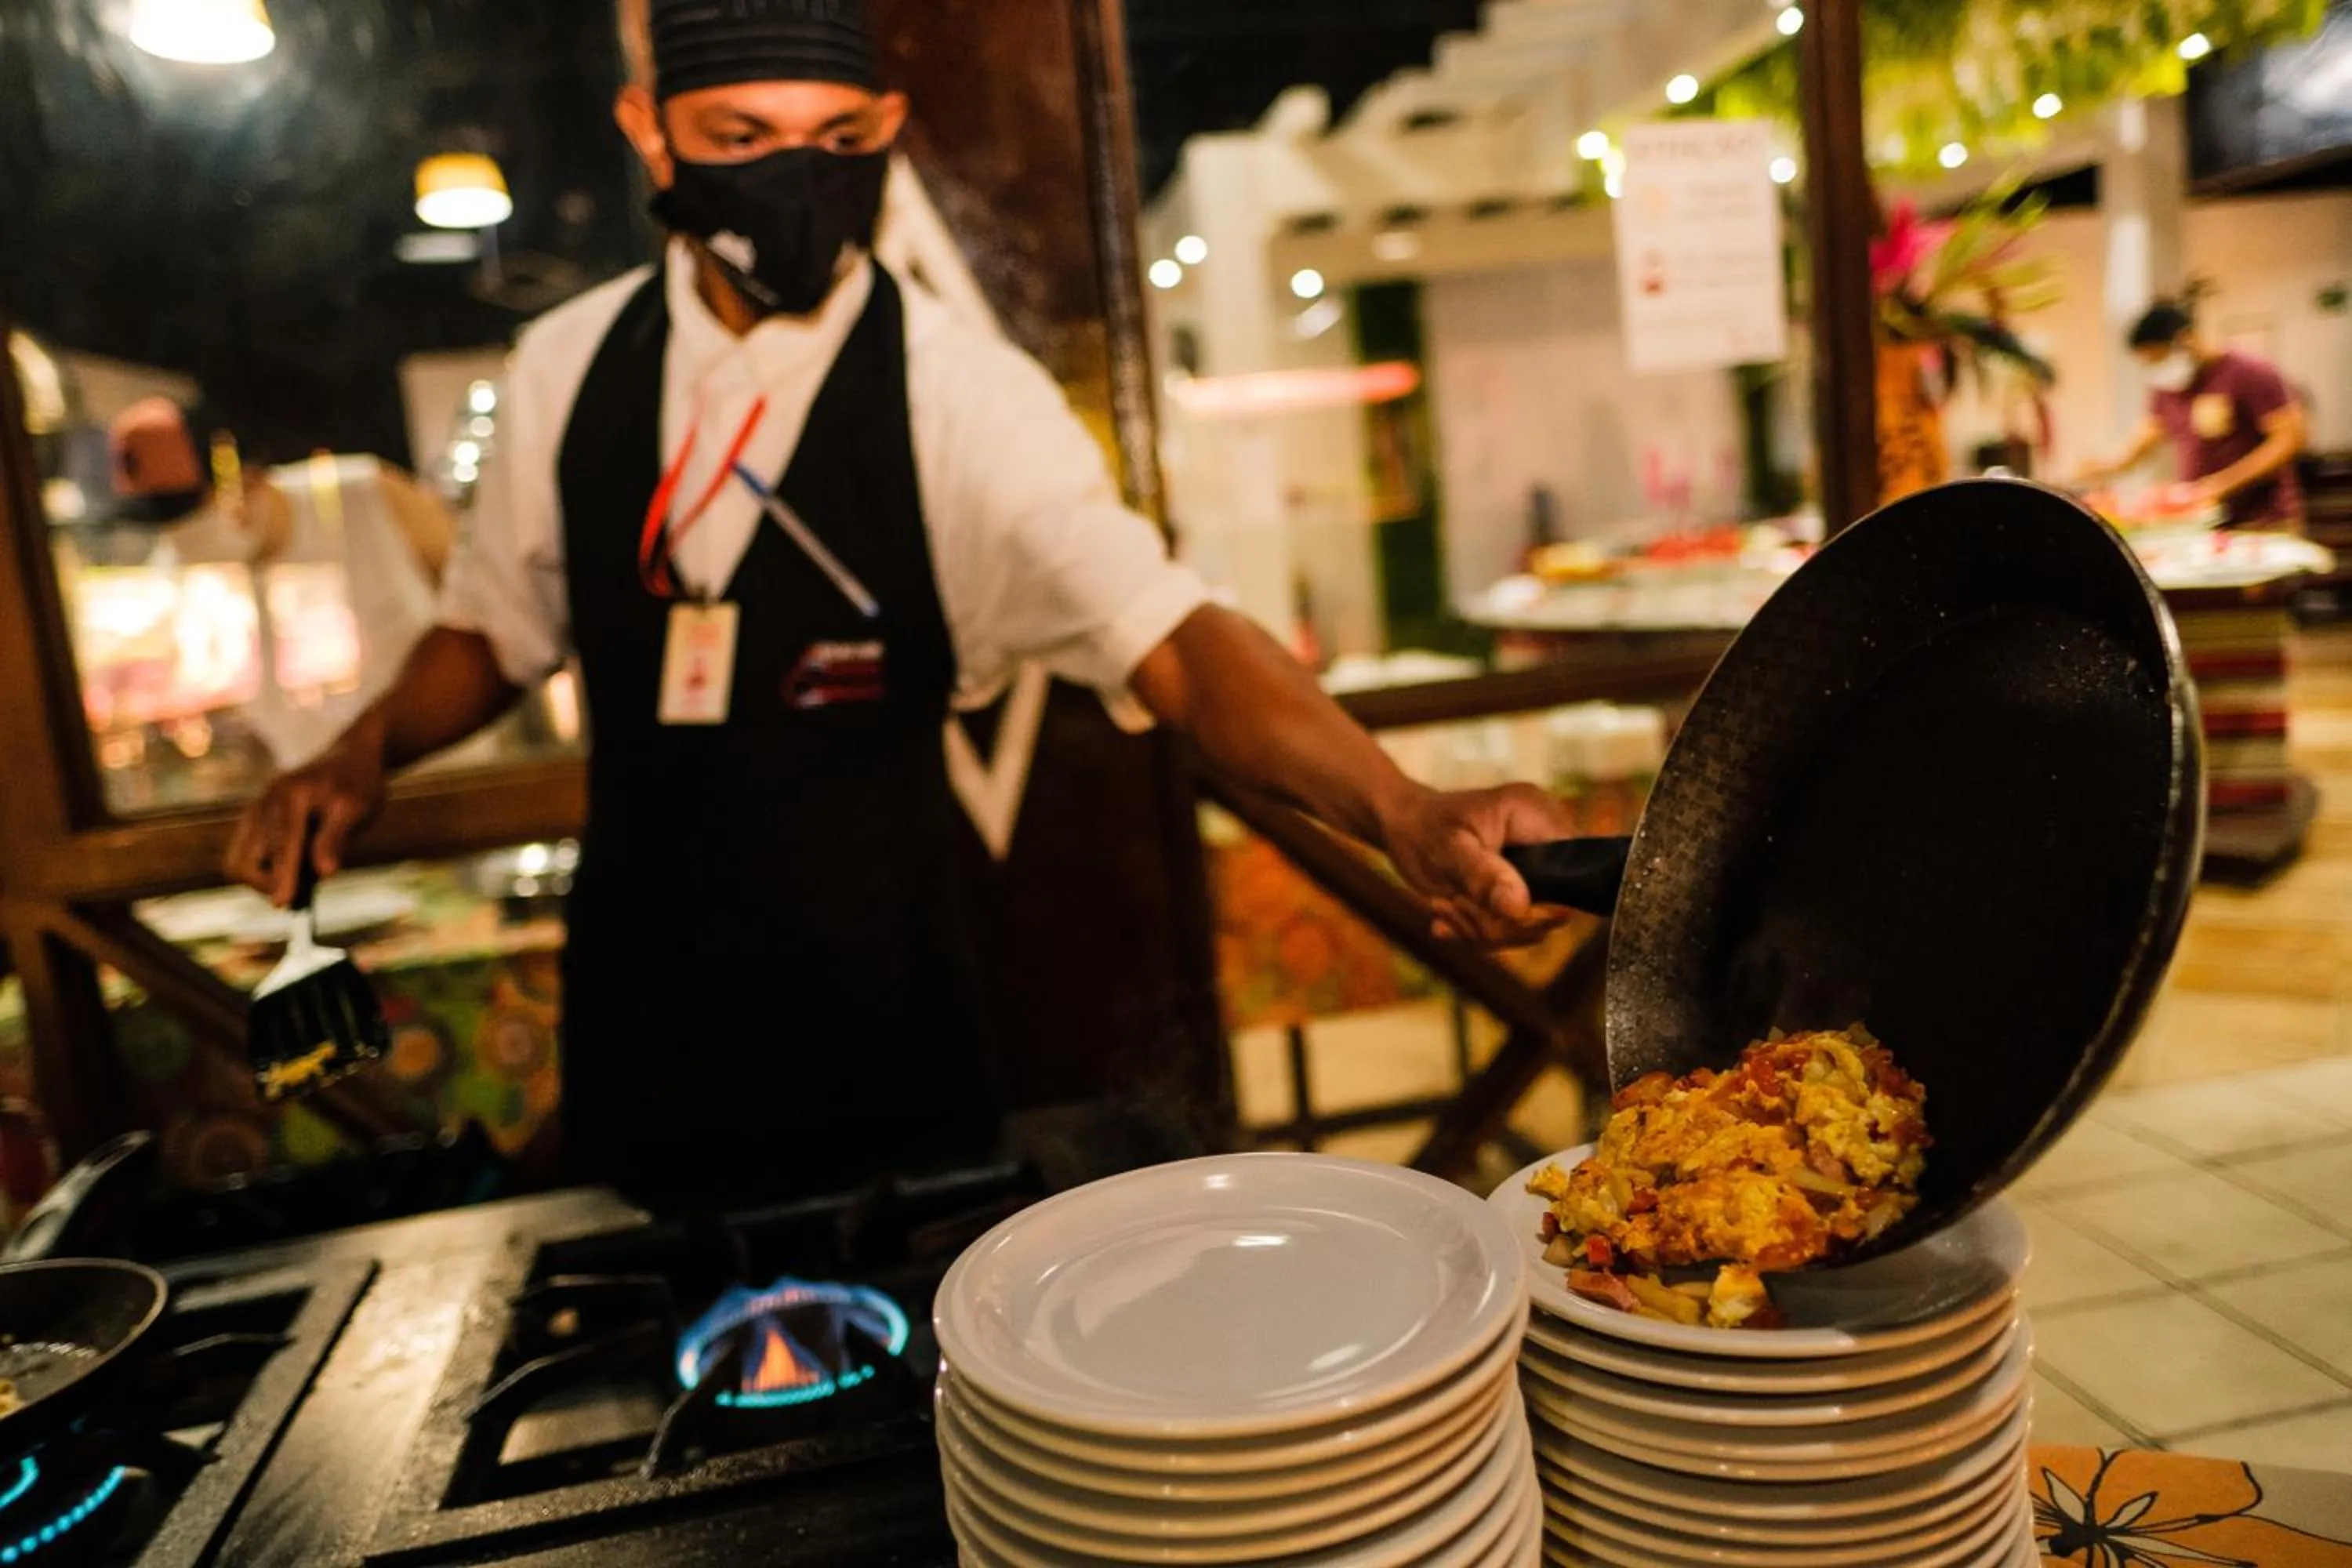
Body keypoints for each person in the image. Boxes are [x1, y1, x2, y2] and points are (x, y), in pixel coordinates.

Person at [223, 0, 1578, 1203]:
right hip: (650, 1001)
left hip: (885, 1012)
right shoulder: (565, 368)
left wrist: (1396, 805)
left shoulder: (961, 394)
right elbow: (490, 632)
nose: (796, 175)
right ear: (650, 130)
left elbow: (1170, 641)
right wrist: (363, 747)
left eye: (835, 134)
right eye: (740, 133)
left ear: (887, 127)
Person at [104, 398, 455, 768]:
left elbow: (481, 607)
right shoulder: (189, 574)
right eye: (165, 518)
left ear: (244, 478)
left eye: (188, 509)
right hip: (324, 795)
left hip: (449, 777)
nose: (183, 535)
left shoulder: (364, 495)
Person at [2078, 302, 2308, 529]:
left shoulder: (2250, 371)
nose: (2157, 369)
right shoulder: (2166, 387)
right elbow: (2149, 435)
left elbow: (2289, 439)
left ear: (2186, 339)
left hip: (2263, 519)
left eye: (2159, 359)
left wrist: (2221, 484)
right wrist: (2110, 467)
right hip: (2206, 521)